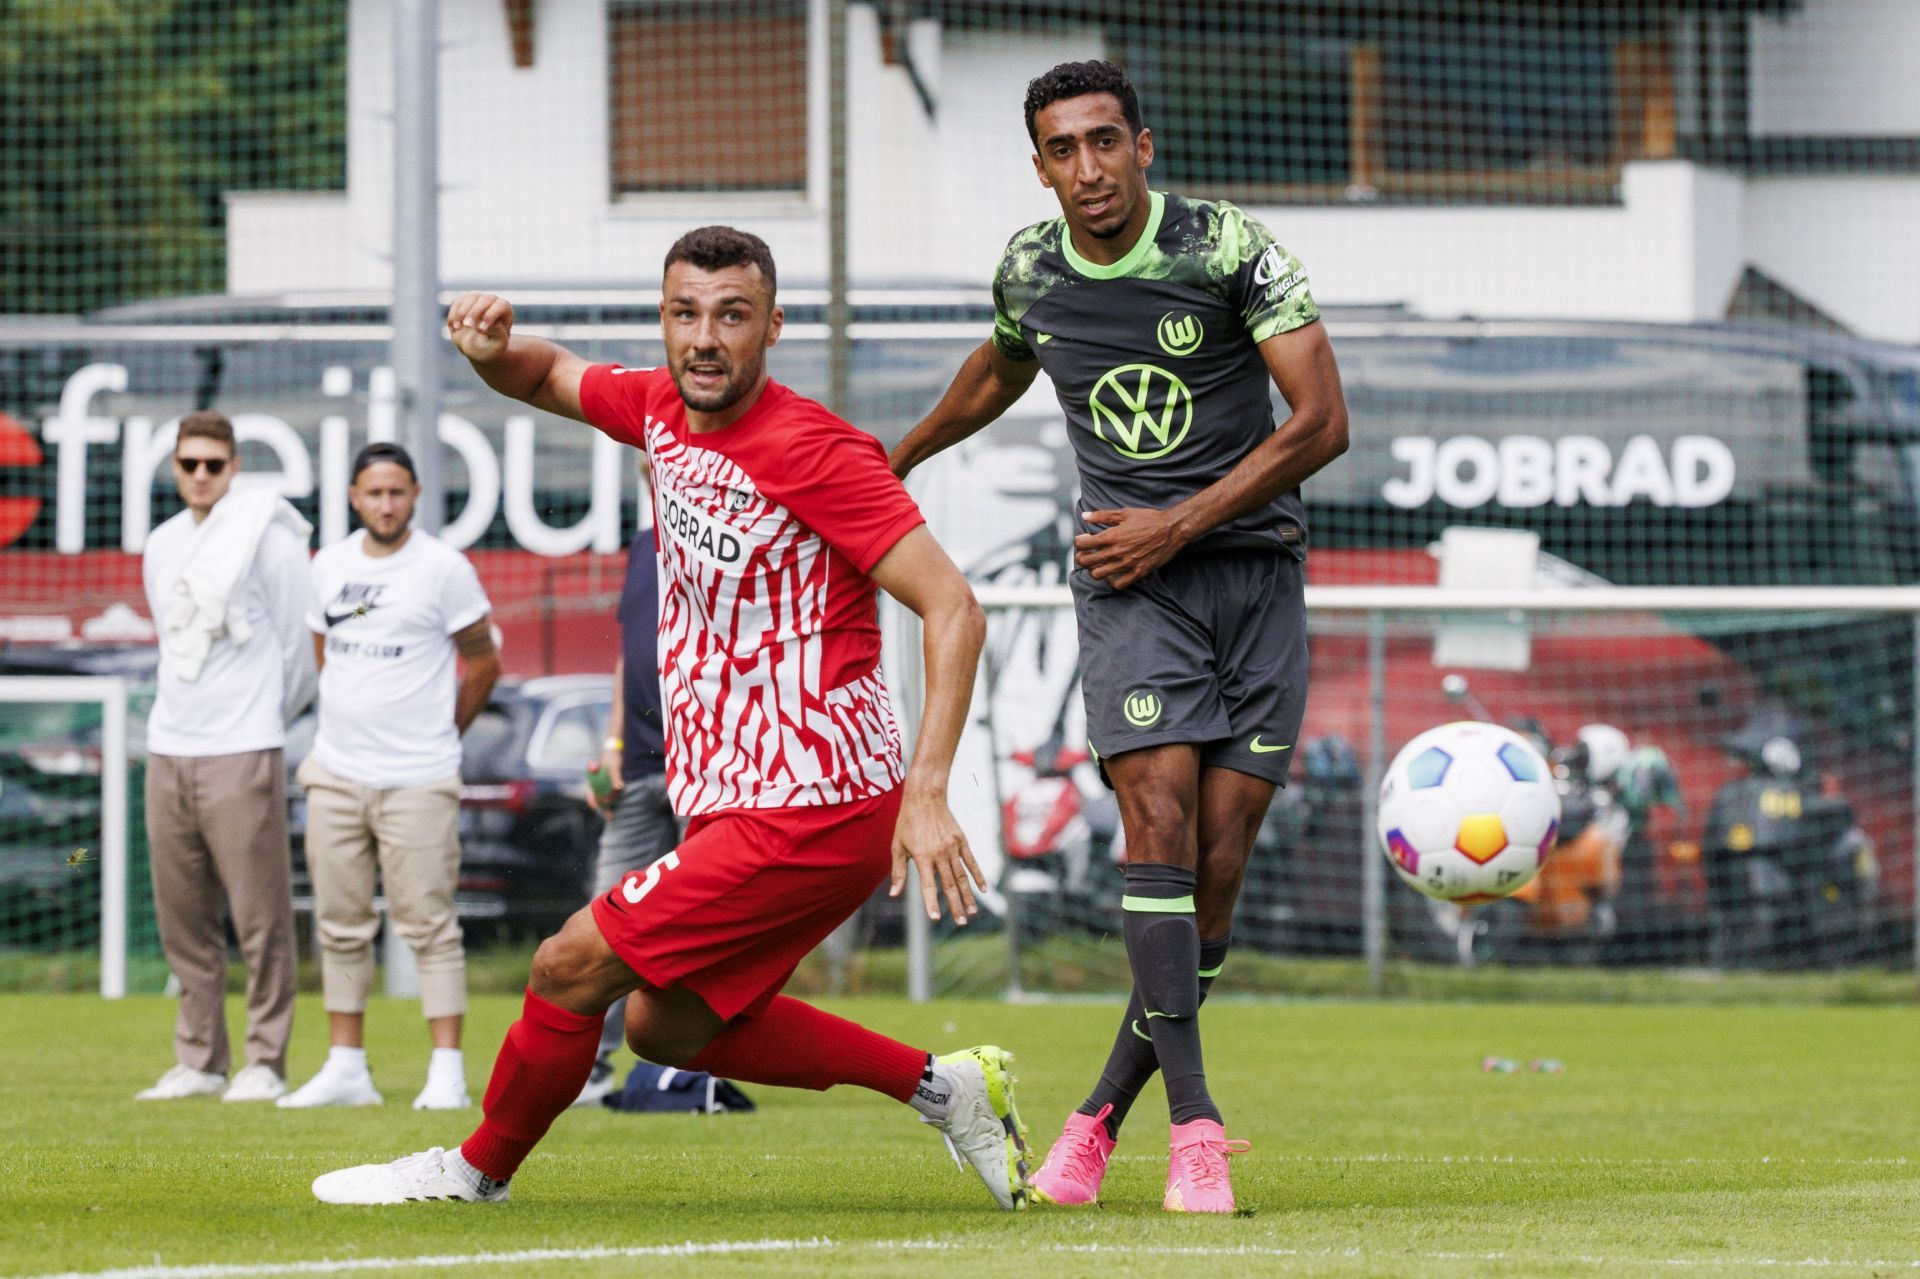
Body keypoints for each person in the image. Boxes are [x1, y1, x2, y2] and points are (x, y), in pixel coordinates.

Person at [309, 225, 1028, 1210]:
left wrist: (931, 793)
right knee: (667, 1029)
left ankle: (473, 1171)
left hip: (817, 802)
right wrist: (487, 353)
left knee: (568, 965)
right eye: (685, 313)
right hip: (739, 797)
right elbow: (548, 373)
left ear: (772, 326)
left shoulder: (816, 449)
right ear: (663, 320)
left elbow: (954, 607)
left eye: (731, 315)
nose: (705, 336)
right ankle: (946, 1087)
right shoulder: (657, 407)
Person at [889, 60, 1349, 1213]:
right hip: (1127, 589)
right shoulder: (1032, 269)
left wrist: (1179, 524)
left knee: (1218, 870)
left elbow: (1325, 422)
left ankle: (1095, 1115)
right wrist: (893, 457)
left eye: (1105, 142)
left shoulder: (1228, 248)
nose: (1087, 168)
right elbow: (999, 366)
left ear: (1144, 146)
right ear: (1039, 165)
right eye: (1062, 149)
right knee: (1158, 818)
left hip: (1251, 579)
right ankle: (1197, 1129)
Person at [279, 442, 503, 1111]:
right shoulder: (329, 566)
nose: (385, 504)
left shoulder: (444, 568)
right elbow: (326, 656)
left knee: (430, 923)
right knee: (339, 923)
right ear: (353, 496)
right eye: (373, 493)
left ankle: (446, 1071)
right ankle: (347, 1066)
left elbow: (483, 663)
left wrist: (441, 733)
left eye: (396, 492)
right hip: (337, 773)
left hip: (420, 779)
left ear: (416, 494)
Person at [137, 410, 313, 1103]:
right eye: (190, 464)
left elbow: (302, 647)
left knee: (260, 915)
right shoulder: (159, 543)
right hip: (168, 742)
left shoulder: (268, 538)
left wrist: (265, 715)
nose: (202, 476)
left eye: (214, 464)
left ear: (235, 467)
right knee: (182, 915)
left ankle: (265, 1058)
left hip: (242, 745)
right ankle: (201, 1058)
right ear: (175, 468)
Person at [572, 495, 682, 1107]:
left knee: (709, 923)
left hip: (710, 766)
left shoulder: (730, 530)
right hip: (637, 766)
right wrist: (613, 743)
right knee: (604, 918)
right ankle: (590, 1070)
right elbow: (629, 659)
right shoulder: (644, 544)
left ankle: (700, 1067)